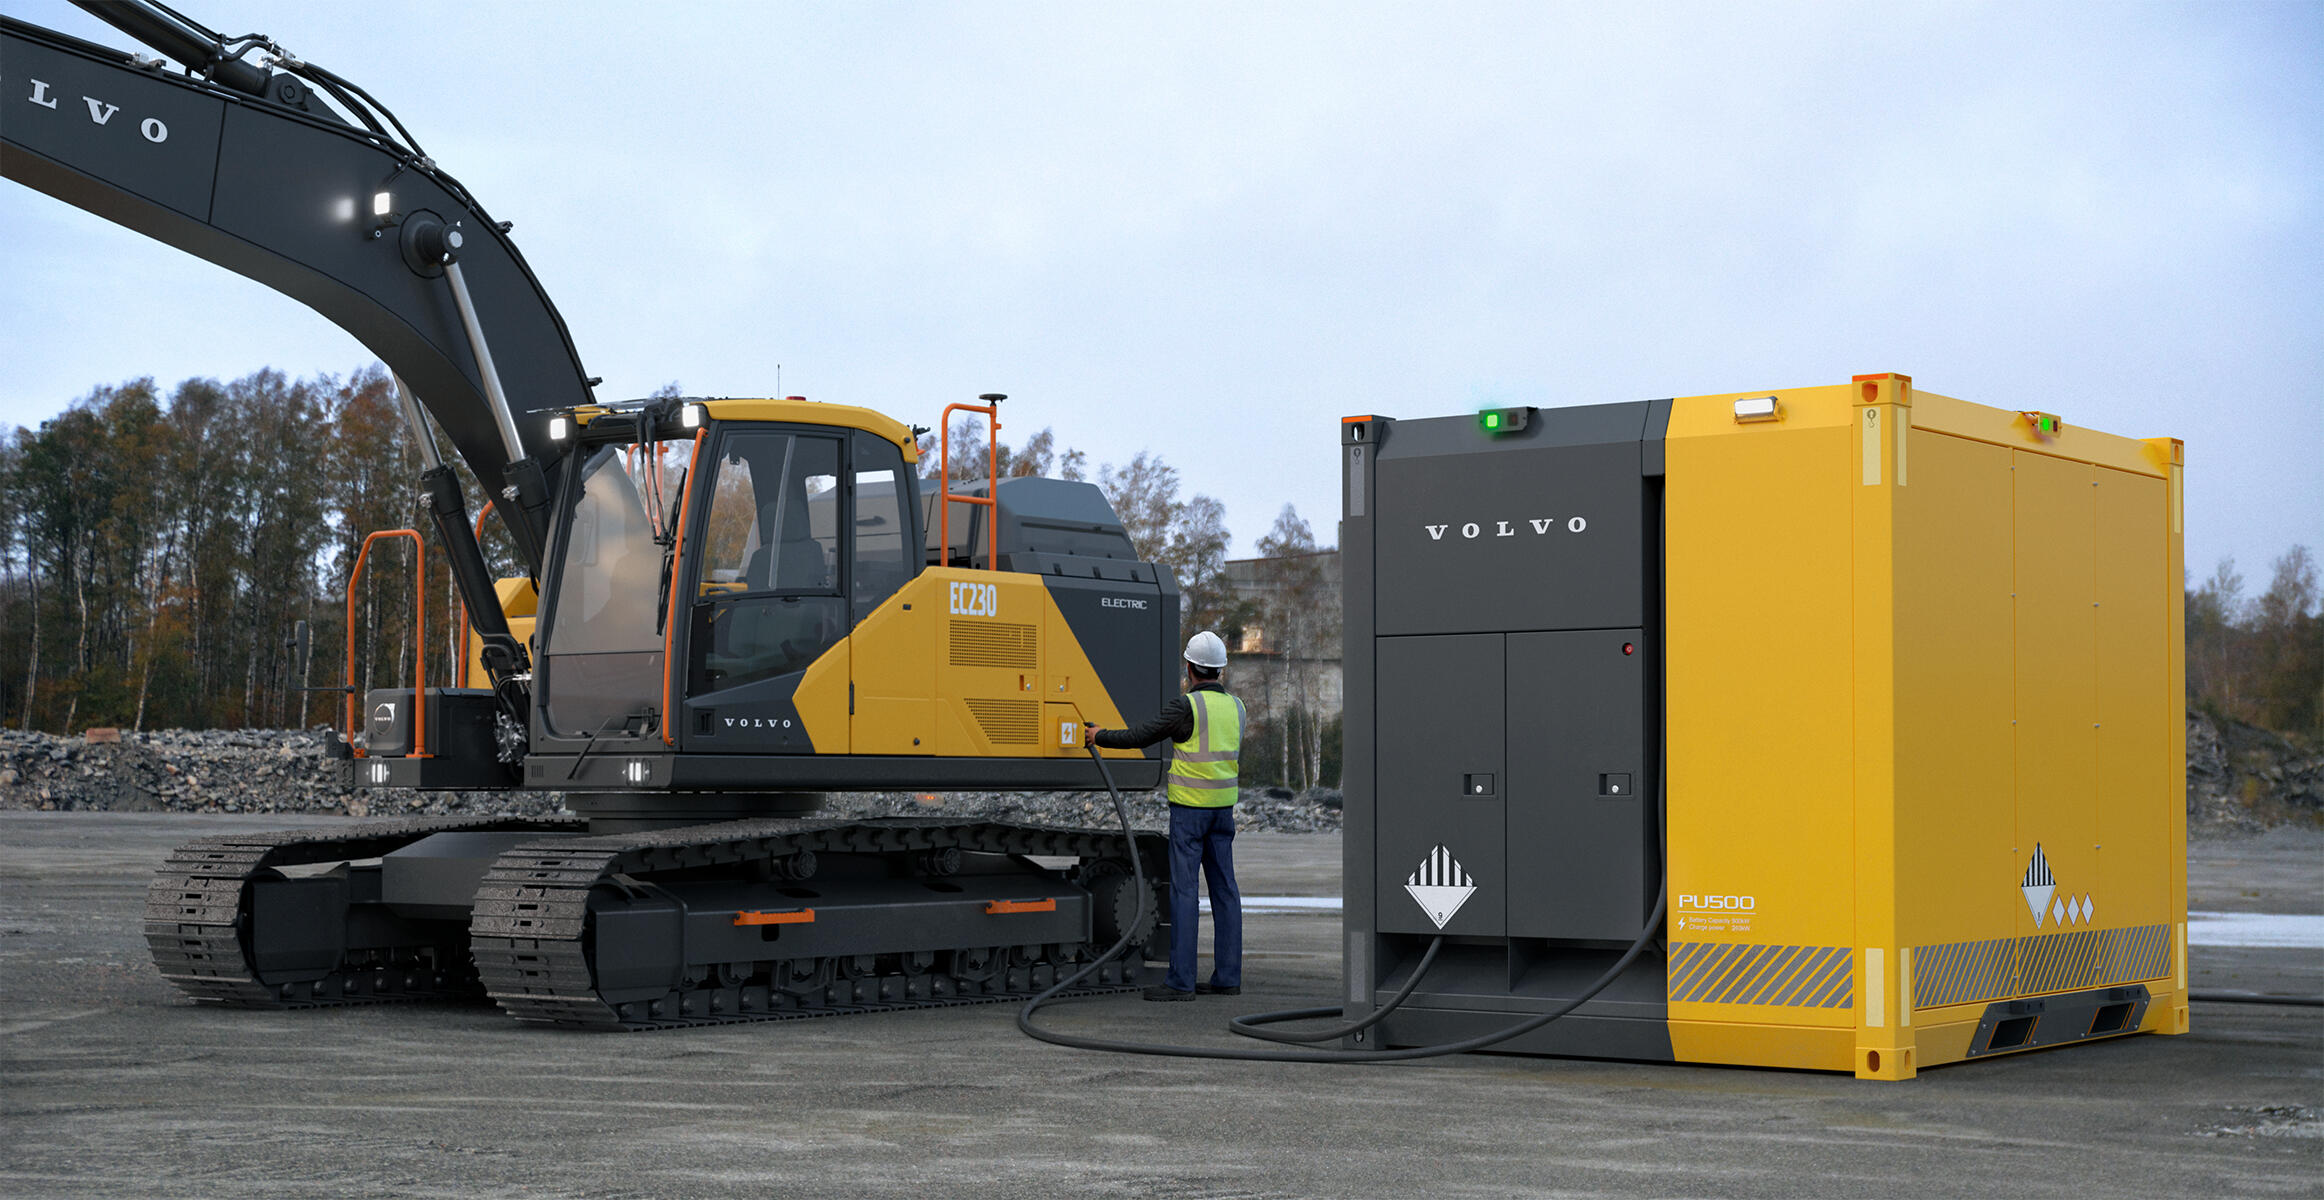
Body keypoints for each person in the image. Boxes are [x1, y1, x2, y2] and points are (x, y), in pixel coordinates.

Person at [1086, 630, 1244, 1001]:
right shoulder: (1237, 707)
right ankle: (1228, 978)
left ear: (1188, 667)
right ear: (1220, 670)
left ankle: (1181, 982)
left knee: (1185, 893)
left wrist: (1099, 735)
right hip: (1223, 812)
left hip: (1190, 812)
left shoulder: (1186, 707)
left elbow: (1142, 735)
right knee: (1225, 893)